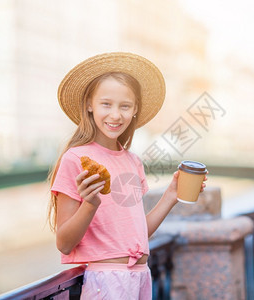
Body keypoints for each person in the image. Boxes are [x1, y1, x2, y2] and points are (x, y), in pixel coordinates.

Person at [47, 52, 207, 299]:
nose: (115, 115)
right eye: (106, 104)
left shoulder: (133, 161)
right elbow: (64, 243)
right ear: (89, 104)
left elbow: (137, 234)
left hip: (141, 275)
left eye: (125, 106)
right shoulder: (75, 159)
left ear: (135, 110)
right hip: (107, 281)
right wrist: (89, 205)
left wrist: (171, 195)